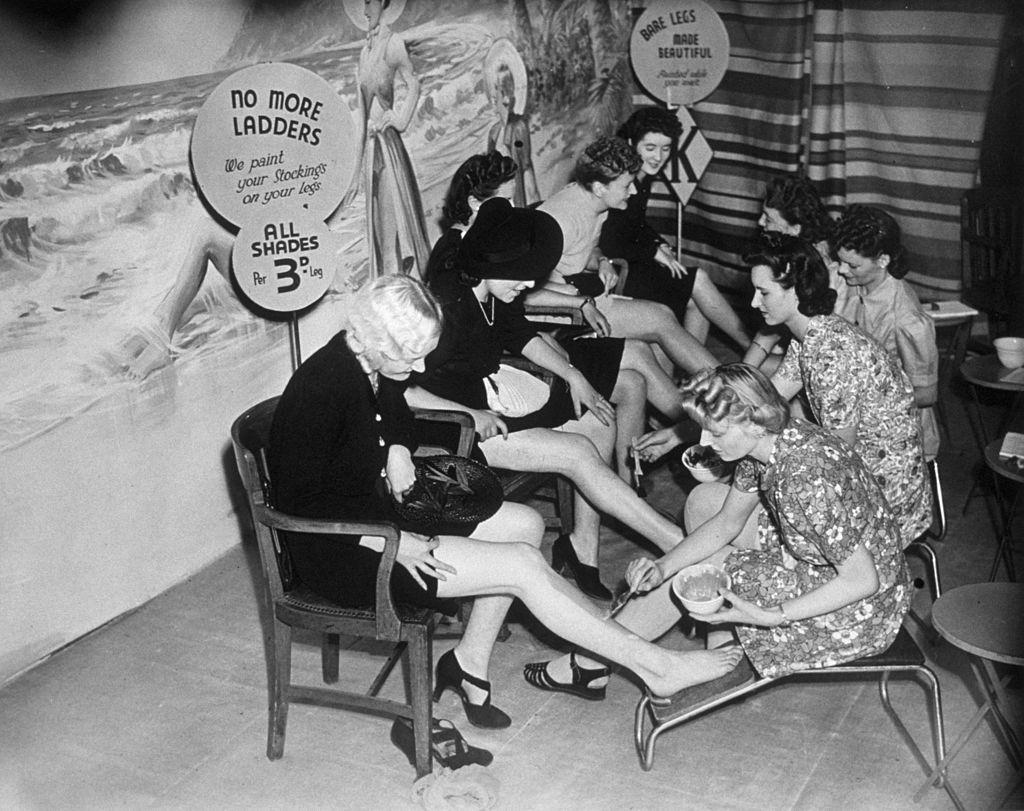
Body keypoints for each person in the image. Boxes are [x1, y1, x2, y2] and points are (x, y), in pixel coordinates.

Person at [268, 274, 745, 731]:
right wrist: (397, 541)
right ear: (375, 338)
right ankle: (657, 667)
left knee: (525, 526)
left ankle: (468, 664)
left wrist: (394, 447)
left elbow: (393, 412)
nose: (417, 371)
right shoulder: (322, 387)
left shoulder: (373, 362)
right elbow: (304, 506)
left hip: (380, 516)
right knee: (520, 566)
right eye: (411, 358)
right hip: (344, 550)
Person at [526, 363, 911, 698]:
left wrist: (771, 616)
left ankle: (605, 660)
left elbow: (863, 581)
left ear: (754, 418)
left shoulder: (803, 479)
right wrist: (664, 565)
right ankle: (607, 657)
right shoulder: (770, 444)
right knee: (699, 533)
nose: (706, 443)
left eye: (716, 432)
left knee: (706, 569)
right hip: (830, 565)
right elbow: (727, 523)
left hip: (861, 612)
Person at [407, 196, 695, 602]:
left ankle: (583, 547)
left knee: (598, 415)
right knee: (576, 451)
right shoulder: (447, 310)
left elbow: (520, 335)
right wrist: (468, 412)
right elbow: (404, 389)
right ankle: (676, 544)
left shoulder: (492, 293)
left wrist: (574, 376)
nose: (529, 286)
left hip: (490, 402)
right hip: (458, 430)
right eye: (521, 278)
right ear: (494, 266)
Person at [431, 152, 688, 483]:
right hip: (505, 376)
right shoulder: (458, 259)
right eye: (504, 202)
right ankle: (685, 434)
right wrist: (566, 354)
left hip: (524, 350)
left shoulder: (490, 247)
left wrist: (577, 305)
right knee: (631, 376)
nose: (512, 211)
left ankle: (664, 449)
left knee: (637, 356)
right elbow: (503, 327)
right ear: (474, 203)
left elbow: (514, 314)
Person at [528, 136, 719, 376]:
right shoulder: (561, 220)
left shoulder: (596, 203)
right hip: (563, 313)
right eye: (627, 185)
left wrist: (602, 261)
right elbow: (525, 291)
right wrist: (579, 299)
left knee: (663, 319)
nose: (634, 190)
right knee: (661, 321)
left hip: (582, 294)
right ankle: (732, 388)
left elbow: (586, 248)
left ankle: (683, 400)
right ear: (599, 187)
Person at [601, 106, 751, 352]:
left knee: (696, 300)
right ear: (630, 142)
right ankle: (749, 346)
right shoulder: (619, 180)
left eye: (665, 148)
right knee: (697, 280)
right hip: (619, 273)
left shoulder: (642, 176)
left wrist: (659, 243)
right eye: (650, 148)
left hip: (636, 265)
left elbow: (636, 225)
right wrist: (652, 251)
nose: (658, 157)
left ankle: (698, 375)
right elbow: (610, 240)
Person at [831, 205, 940, 460]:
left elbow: (926, 394)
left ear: (883, 260)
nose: (842, 270)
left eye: (852, 265)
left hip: (900, 434)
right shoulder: (859, 283)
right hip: (862, 413)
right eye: (840, 261)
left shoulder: (906, 319)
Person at [333, 0, 430, 279]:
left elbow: (414, 83)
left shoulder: (393, 43)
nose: (365, 11)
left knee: (390, 237)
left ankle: (399, 300)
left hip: (388, 149)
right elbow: (362, 121)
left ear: (384, 3)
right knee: (377, 235)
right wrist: (353, 176)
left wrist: (399, 120)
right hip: (371, 153)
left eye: (369, 2)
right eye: (362, 3)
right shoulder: (365, 53)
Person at [743, 174, 845, 373]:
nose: (760, 222)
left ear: (795, 229)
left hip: (826, 360)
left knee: (751, 375)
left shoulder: (819, 268)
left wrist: (742, 372)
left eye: (769, 218)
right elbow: (768, 331)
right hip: (798, 348)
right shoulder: (789, 256)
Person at [484, 38, 541, 208]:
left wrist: (538, 208)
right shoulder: (494, 132)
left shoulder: (518, 128)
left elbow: (526, 168)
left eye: (499, 95)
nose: (495, 102)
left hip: (518, 201)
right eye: (493, 95)